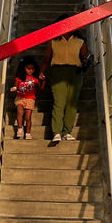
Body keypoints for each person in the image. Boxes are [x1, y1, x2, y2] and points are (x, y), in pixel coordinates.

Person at [40, 15, 89, 145]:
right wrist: (41, 71)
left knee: (72, 103)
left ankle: (67, 132)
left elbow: (85, 58)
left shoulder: (80, 41)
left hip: (75, 72)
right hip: (58, 71)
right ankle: (56, 132)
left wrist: (86, 62)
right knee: (59, 102)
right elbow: (47, 58)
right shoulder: (53, 41)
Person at [10, 57, 42, 139]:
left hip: (30, 99)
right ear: (24, 68)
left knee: (28, 117)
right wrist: (14, 88)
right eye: (28, 69)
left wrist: (43, 80)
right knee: (20, 112)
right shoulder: (19, 78)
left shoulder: (35, 79)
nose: (30, 71)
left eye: (32, 69)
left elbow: (41, 87)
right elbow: (16, 85)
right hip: (20, 97)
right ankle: (20, 128)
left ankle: (28, 132)